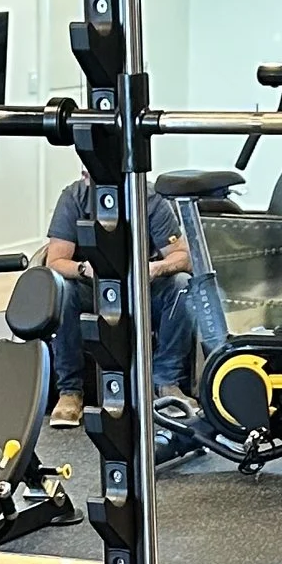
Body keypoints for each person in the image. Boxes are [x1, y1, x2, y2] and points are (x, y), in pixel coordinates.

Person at [42, 171, 196, 423]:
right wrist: (84, 269)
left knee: (182, 285)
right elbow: (55, 261)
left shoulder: (150, 198)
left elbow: (183, 257)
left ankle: (166, 383)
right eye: (86, 174)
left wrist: (155, 268)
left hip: (141, 288)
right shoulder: (73, 198)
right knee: (62, 290)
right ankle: (70, 391)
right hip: (89, 288)